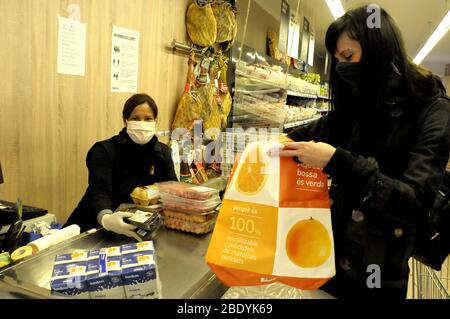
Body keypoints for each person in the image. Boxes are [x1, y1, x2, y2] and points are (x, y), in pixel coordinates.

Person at [277, 6, 450, 298]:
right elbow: (310, 133)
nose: (342, 68)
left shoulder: (434, 110)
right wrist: (268, 147)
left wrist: (338, 162)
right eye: (337, 60)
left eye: (348, 57)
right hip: (327, 260)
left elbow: (416, 203)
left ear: (380, 49)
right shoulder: (361, 105)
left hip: (380, 274)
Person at [65, 93, 178, 240]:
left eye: (148, 119)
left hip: (139, 228)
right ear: (125, 121)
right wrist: (106, 218)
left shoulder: (163, 153)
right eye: (135, 118)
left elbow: (172, 189)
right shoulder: (104, 150)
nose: (142, 123)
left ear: (156, 121)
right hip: (95, 227)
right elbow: (99, 190)